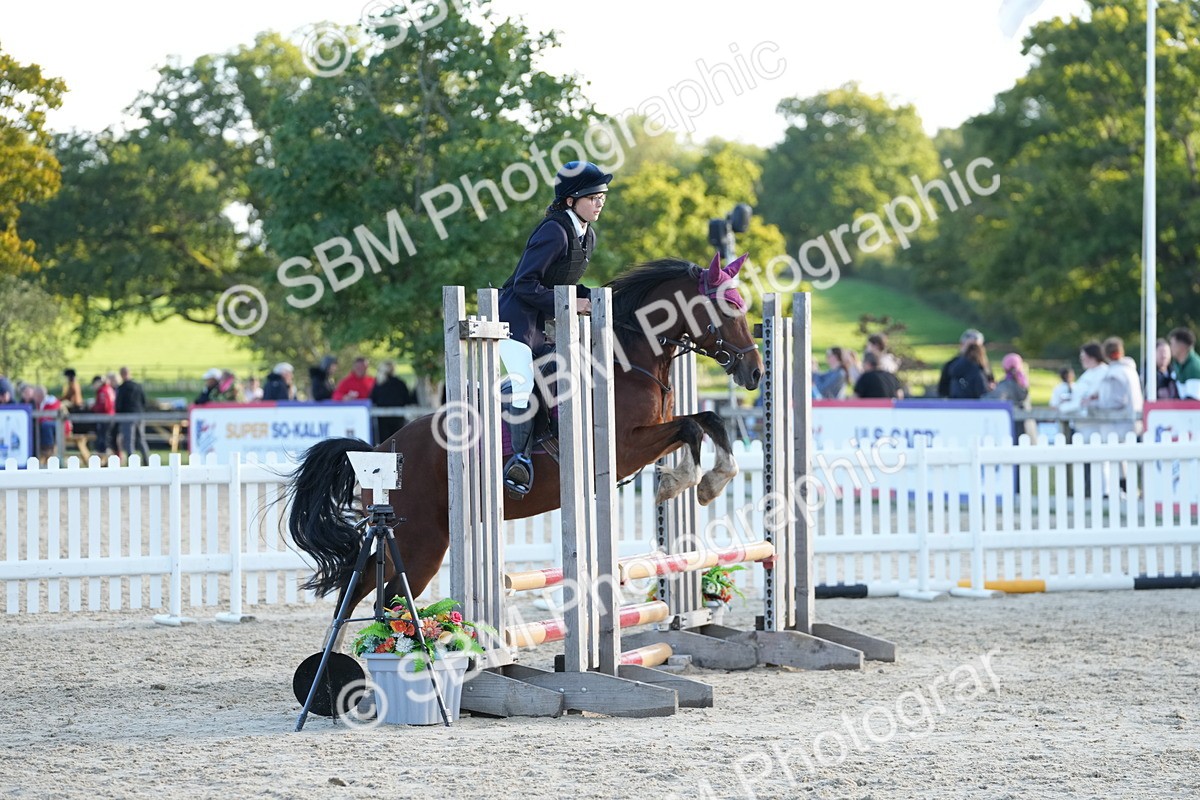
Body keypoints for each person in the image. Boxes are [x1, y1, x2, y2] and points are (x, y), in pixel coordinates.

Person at [496, 160, 613, 495]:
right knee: (524, 386)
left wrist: (599, 299)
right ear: (570, 200)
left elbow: (564, 284)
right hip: (515, 322)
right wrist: (572, 304)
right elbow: (524, 284)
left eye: (602, 196)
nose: (600, 202)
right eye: (593, 197)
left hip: (541, 324)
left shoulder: (587, 235)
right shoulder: (554, 231)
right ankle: (519, 462)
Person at [987, 352, 1034, 441]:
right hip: (1028, 427)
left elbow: (994, 399)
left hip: (1012, 428)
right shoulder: (1023, 384)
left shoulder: (1006, 385)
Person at [371, 360, 413, 442]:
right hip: (398, 419)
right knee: (397, 442)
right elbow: (407, 400)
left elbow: (372, 399)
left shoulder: (379, 384)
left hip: (382, 421)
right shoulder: (400, 383)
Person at [115, 366, 150, 463]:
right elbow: (144, 401)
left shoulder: (122, 388)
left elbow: (119, 404)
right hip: (139, 415)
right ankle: (147, 461)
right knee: (141, 439)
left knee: (129, 441)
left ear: (121, 375)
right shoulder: (138, 386)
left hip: (127, 416)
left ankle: (132, 462)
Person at [938, 329, 985, 398]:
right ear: (962, 345)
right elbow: (942, 390)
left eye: (977, 347)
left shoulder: (983, 365)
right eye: (971, 347)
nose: (974, 351)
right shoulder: (951, 365)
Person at [1167, 327, 1200, 400]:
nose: (1170, 347)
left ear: (1182, 346)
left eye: (1172, 344)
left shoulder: (1194, 367)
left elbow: (1192, 400)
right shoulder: (1177, 364)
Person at [90, 374, 117, 458]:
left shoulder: (102, 391)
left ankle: (104, 459)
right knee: (107, 438)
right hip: (110, 416)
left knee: (103, 439)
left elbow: (103, 406)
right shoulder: (109, 388)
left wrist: (93, 407)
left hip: (105, 417)